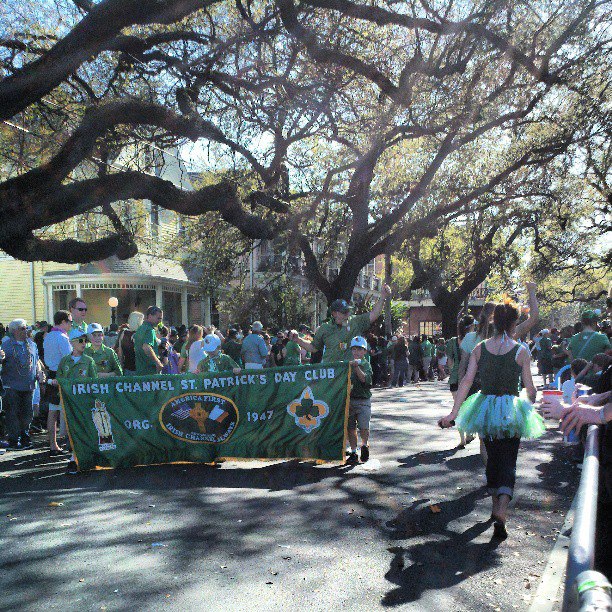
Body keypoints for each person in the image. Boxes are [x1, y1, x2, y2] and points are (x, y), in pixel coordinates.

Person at [438, 301, 544, 539]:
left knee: (493, 461)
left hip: (484, 409)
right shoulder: (521, 351)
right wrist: (531, 402)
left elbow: (466, 381)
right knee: (509, 461)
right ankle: (501, 511)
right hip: (511, 411)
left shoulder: (480, 348)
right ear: (514, 323)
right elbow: (530, 389)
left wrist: (453, 414)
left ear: (494, 321)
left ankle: (495, 508)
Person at [292, 285, 392, 363]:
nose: (347, 314)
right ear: (334, 313)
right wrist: (298, 340)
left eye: (348, 311)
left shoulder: (355, 322)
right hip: (331, 374)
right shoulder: (324, 328)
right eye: (344, 312)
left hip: (349, 372)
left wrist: (383, 297)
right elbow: (313, 348)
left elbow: (374, 314)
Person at [57, 328, 98, 475]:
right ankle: (74, 456)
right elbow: (60, 380)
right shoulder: (65, 361)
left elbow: (94, 383)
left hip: (83, 403)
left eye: (85, 341)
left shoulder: (89, 361)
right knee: (70, 431)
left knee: (83, 429)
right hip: (69, 404)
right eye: (80, 340)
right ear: (72, 342)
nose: (84, 343)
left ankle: (75, 459)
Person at [0, 319, 44, 450]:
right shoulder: (5, 345)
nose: (27, 331)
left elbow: (36, 361)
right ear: (15, 331)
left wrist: (40, 373)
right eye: (23, 328)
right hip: (11, 386)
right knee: (13, 414)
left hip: (29, 385)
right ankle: (14, 440)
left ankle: (25, 438)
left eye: (27, 328)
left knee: (27, 415)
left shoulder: (31, 344)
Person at [43, 310, 73, 455]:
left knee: (52, 411)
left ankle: (53, 444)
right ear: (63, 322)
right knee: (66, 410)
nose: (71, 325)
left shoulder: (47, 336)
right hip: (62, 374)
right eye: (70, 322)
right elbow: (68, 358)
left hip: (51, 373)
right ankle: (69, 443)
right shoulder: (62, 337)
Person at [447, 316, 477, 449]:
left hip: (455, 379)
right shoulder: (475, 340)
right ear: (471, 326)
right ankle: (471, 432)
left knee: (457, 408)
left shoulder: (453, 342)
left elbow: (450, 362)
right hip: (472, 378)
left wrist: (453, 372)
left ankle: (462, 439)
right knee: (470, 408)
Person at [346, 336, 373, 464]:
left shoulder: (366, 365)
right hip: (349, 401)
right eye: (354, 349)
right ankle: (353, 451)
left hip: (363, 401)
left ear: (364, 351)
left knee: (363, 427)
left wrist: (357, 368)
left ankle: (364, 445)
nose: (356, 352)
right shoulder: (347, 364)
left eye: (359, 349)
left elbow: (364, 380)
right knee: (350, 428)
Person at [133, 306, 164, 375]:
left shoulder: (140, 328)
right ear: (150, 316)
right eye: (158, 318)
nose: (160, 321)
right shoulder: (150, 330)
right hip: (150, 372)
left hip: (140, 370)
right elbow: (146, 347)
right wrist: (158, 362)